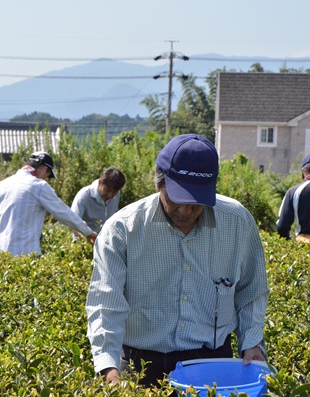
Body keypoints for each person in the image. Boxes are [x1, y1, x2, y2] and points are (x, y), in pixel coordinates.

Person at [85, 134, 269, 386]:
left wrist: (252, 342)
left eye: (195, 202)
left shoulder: (237, 222)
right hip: (142, 366)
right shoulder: (122, 229)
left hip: (211, 364)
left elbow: (251, 292)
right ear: (159, 184)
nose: (185, 211)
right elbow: (106, 304)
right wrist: (108, 367)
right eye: (177, 198)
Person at [0, 151, 98, 256]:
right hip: (26, 255)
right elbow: (63, 213)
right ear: (44, 169)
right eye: (47, 176)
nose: (46, 179)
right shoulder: (38, 186)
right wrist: (87, 232)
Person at [71, 167, 126, 234]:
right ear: (100, 182)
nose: (110, 195)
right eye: (107, 190)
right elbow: (73, 223)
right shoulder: (83, 196)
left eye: (114, 192)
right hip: (87, 239)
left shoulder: (117, 194)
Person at [276, 153, 310, 243]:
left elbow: (282, 226)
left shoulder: (294, 191)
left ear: (304, 171)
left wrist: (289, 245)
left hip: (304, 244)